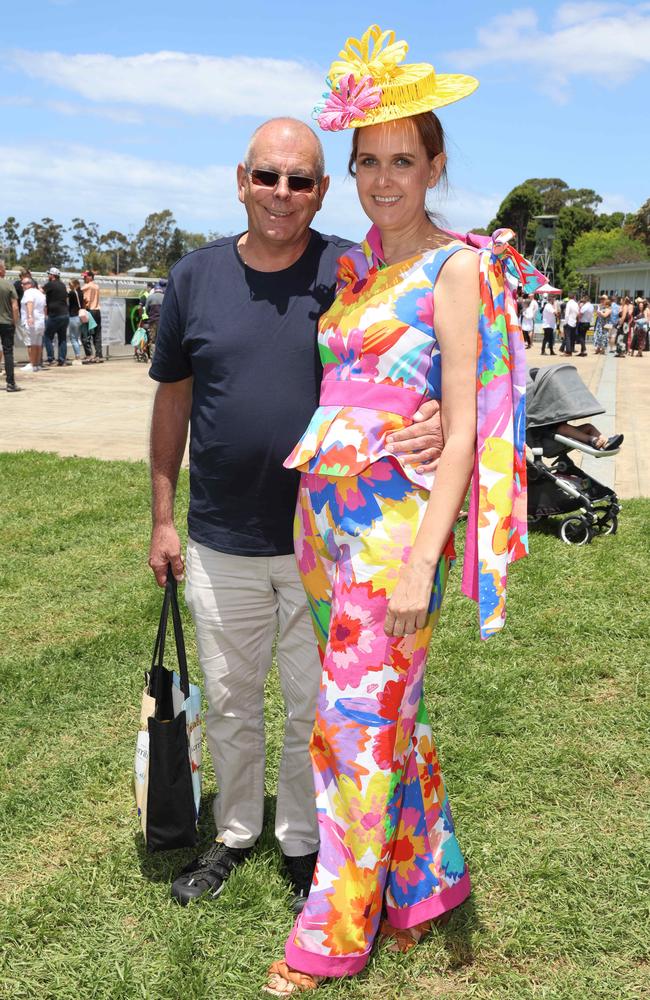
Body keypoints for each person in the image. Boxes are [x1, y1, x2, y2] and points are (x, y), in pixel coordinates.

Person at [264, 24, 542, 994]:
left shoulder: (452, 269)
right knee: (390, 714)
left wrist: (426, 555)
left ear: (433, 166)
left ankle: (335, 930)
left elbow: (462, 423)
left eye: (403, 161)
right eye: (368, 162)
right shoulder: (355, 273)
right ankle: (424, 884)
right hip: (332, 532)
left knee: (350, 724)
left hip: (394, 544)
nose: (384, 179)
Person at [148, 116, 443, 915]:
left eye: (302, 180)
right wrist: (163, 516)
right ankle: (237, 832)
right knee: (234, 698)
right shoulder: (193, 278)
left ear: (321, 189)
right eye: (268, 177)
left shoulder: (352, 270)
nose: (283, 195)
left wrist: (444, 413)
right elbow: (173, 399)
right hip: (218, 536)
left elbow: (426, 332)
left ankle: (303, 843)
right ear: (240, 179)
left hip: (331, 540)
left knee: (313, 703)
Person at [0, 258, 21, 392]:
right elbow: (15, 306)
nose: (6, 269)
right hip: (6, 322)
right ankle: (10, 383)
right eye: (4, 267)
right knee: (8, 352)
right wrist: (15, 321)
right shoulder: (8, 286)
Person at [42, 266, 70, 366]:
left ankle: (51, 359)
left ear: (53, 275)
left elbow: (41, 291)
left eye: (49, 274)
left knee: (48, 337)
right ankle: (62, 360)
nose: (48, 276)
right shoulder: (62, 285)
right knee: (62, 338)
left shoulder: (50, 284)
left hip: (55, 315)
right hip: (65, 314)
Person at [20, 276, 46, 372]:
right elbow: (44, 307)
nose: (22, 285)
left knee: (30, 343)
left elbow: (29, 303)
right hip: (40, 320)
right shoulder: (40, 293)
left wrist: (30, 316)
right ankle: (37, 364)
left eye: (24, 284)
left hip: (32, 321)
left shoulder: (28, 292)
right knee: (38, 343)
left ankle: (32, 364)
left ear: (30, 284)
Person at [81, 270, 103, 362]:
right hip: (97, 311)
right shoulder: (96, 286)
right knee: (97, 334)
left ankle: (89, 355)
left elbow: (86, 300)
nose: (84, 278)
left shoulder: (87, 286)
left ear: (90, 277)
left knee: (86, 334)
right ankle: (99, 355)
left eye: (85, 276)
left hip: (90, 311)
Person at [67, 279, 85, 364]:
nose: (69, 286)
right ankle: (78, 356)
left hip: (73, 316)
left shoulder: (72, 293)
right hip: (80, 316)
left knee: (73, 338)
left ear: (74, 285)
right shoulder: (81, 292)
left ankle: (78, 357)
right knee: (77, 337)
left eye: (70, 284)